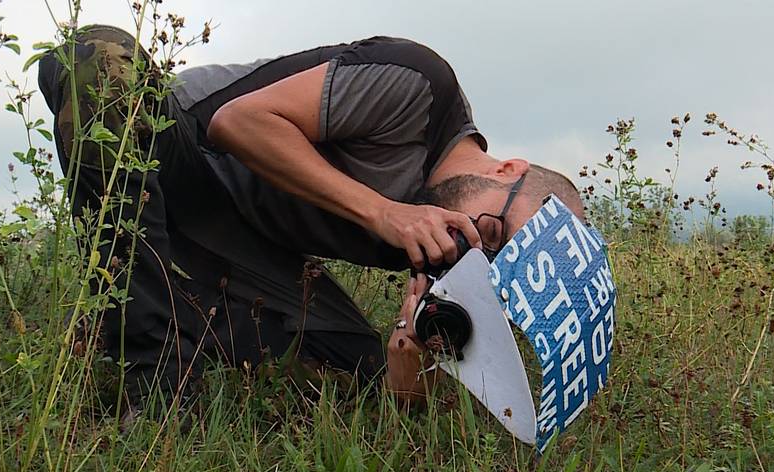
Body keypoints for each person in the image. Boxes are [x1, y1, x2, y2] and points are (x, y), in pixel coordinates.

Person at [36, 25, 587, 409]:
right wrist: (385, 213)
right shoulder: (421, 85)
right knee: (96, 67)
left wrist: (408, 348)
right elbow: (238, 122)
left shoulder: (451, 249)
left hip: (239, 239)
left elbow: (405, 384)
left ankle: (167, 312)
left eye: (495, 260)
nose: (477, 248)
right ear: (507, 169)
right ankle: (153, 378)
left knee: (356, 376)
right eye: (495, 232)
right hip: (180, 150)